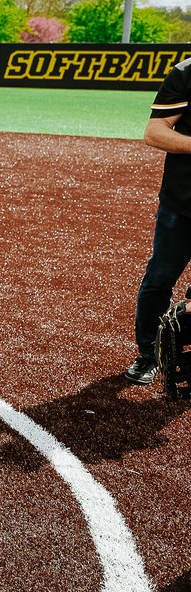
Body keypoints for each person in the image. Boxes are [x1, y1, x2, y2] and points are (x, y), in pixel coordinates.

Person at [125, 60, 191, 384]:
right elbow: (154, 132)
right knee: (159, 280)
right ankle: (148, 354)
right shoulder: (186, 73)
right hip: (182, 204)